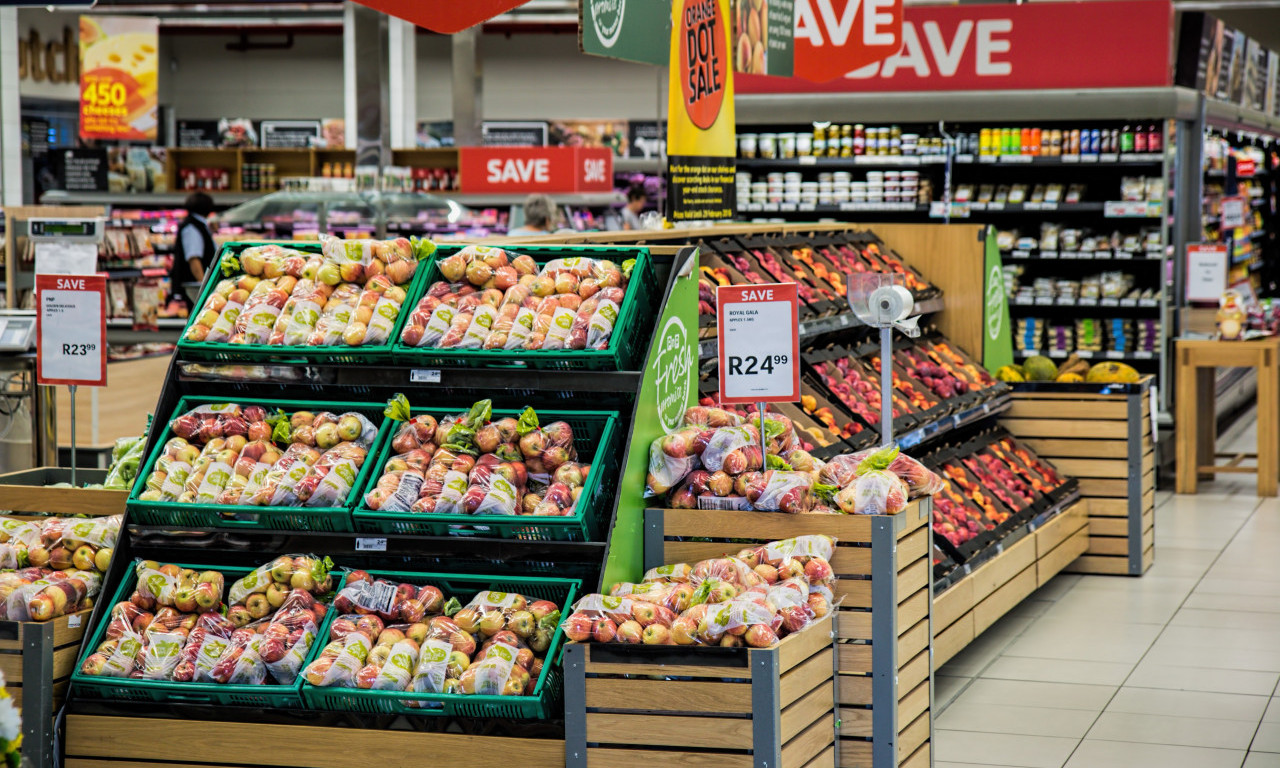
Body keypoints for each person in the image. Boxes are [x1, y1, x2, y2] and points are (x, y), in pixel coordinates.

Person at [170, 192, 216, 305]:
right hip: (193, 290)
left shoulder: (198, 225)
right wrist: (204, 286)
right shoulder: (192, 227)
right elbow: (194, 259)